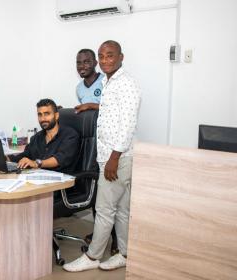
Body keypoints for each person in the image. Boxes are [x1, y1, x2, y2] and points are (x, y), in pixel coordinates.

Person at [63, 40, 142, 272]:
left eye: (110, 55)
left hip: (116, 157)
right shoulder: (109, 82)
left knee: (105, 209)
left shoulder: (126, 84)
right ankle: (125, 254)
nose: (106, 60)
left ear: (121, 57)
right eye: (102, 56)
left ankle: (93, 256)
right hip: (111, 155)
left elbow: (127, 125)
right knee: (122, 210)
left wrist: (114, 158)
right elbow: (110, 115)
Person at [8, 98, 79, 174]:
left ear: (56, 116)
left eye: (47, 114)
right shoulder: (36, 138)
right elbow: (26, 155)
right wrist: (6, 159)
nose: (43, 119)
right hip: (38, 179)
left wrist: (36, 163)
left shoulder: (70, 135)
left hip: (61, 182)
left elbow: (59, 159)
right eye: (40, 115)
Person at [74, 49, 104, 114]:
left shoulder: (106, 82)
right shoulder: (79, 88)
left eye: (86, 62)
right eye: (78, 63)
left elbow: (113, 108)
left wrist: (90, 106)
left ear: (95, 63)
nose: (81, 66)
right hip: (89, 124)